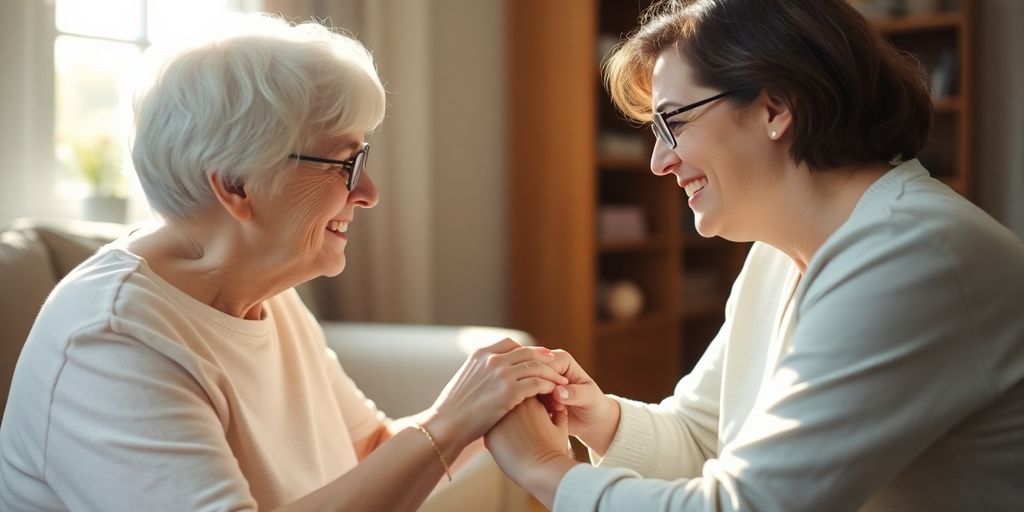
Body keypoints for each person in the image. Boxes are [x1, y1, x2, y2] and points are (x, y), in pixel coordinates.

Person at [0, 14, 568, 511]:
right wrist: (448, 424)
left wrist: (487, 408)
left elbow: (366, 451)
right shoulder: (114, 339)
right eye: (343, 162)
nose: (368, 191)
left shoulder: (263, 289)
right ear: (236, 183)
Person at [484, 0, 1024, 510]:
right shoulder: (778, 254)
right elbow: (705, 436)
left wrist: (545, 469)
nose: (658, 162)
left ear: (776, 106)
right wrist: (597, 418)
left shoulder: (911, 256)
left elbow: (751, 504)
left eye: (673, 123)